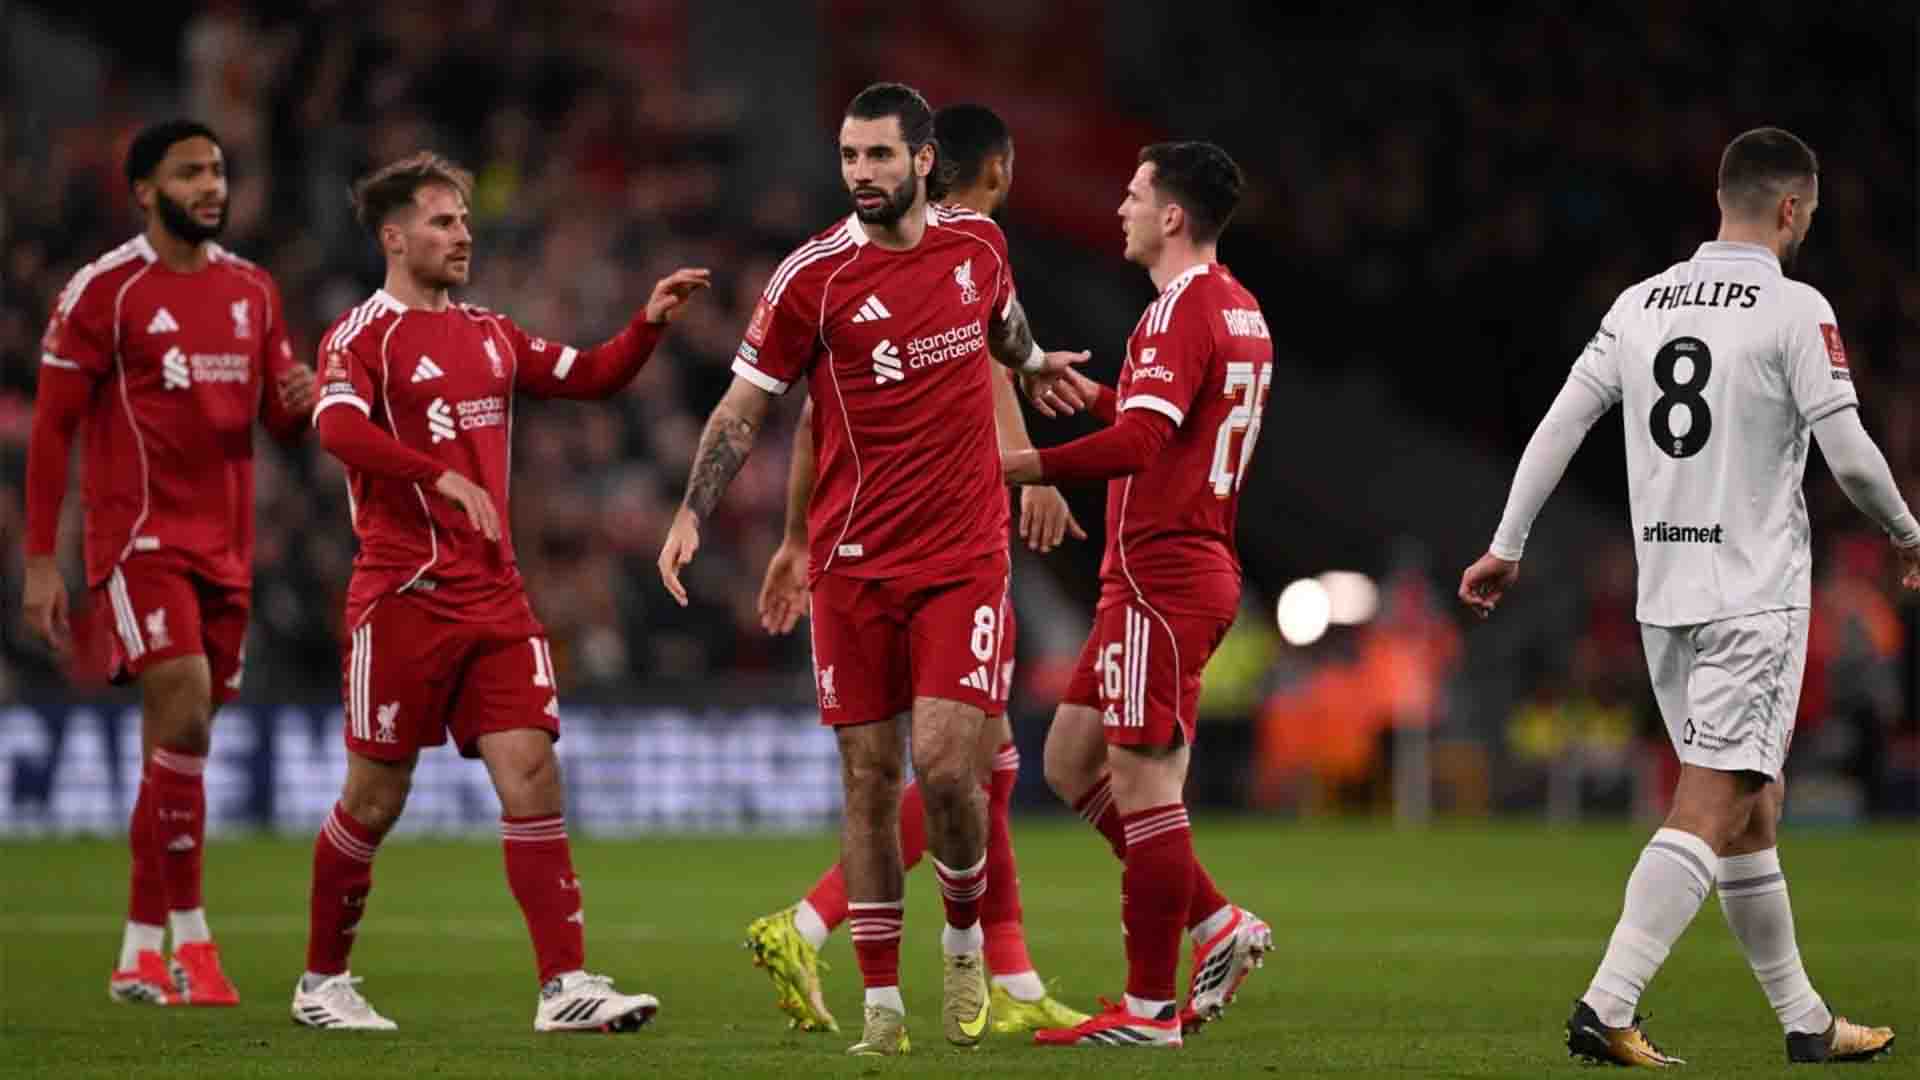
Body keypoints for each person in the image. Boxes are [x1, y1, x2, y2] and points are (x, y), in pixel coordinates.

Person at [1459, 126, 1910, 1067]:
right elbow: (1851, 452)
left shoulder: (1639, 304)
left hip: (1664, 600)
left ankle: (1805, 1022)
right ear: (1790, 210)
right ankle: (1607, 1002)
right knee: (1713, 800)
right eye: (1811, 216)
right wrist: (1908, 534)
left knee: (1754, 806)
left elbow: (1561, 423)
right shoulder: (1794, 308)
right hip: (1751, 598)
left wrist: (1507, 544)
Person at [656, 82, 1087, 1056]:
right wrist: (694, 512)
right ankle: (884, 1012)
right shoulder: (813, 277)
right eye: (850, 157)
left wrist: (1031, 366)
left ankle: (968, 941)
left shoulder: (976, 248)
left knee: (948, 766)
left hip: (962, 558)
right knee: (866, 779)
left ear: (922, 161)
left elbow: (1002, 325)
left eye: (879, 157)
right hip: (857, 567)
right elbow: (746, 408)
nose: (860, 173)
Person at [293, 151, 710, 1032]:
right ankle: (322, 981)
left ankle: (565, 987)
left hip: (495, 598)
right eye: (443, 222)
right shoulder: (359, 336)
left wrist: (648, 324)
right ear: (394, 236)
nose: (462, 235)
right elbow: (335, 426)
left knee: (532, 772)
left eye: (466, 222)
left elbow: (592, 376)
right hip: (403, 594)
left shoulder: (490, 332)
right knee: (375, 798)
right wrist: (435, 479)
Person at [24, 120, 317, 1007]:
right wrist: (43, 561)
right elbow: (52, 428)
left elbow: (273, 416)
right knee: (184, 705)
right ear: (144, 190)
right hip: (139, 538)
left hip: (228, 548)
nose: (210, 185)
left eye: (218, 170)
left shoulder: (252, 290)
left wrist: (297, 404)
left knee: (180, 743)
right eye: (189, 173)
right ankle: (193, 941)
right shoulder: (105, 291)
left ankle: (139, 952)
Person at [1002, 141, 1276, 1049]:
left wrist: (1013, 466)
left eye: (1132, 194)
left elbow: (1142, 450)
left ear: (1171, 216)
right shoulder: (1238, 309)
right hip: (1167, 572)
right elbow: (1172, 423)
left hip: (1162, 575)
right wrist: (1100, 398)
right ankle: (1217, 925)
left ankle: (1151, 1011)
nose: (1118, 207)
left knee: (1144, 781)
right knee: (1072, 760)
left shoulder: (1177, 313)